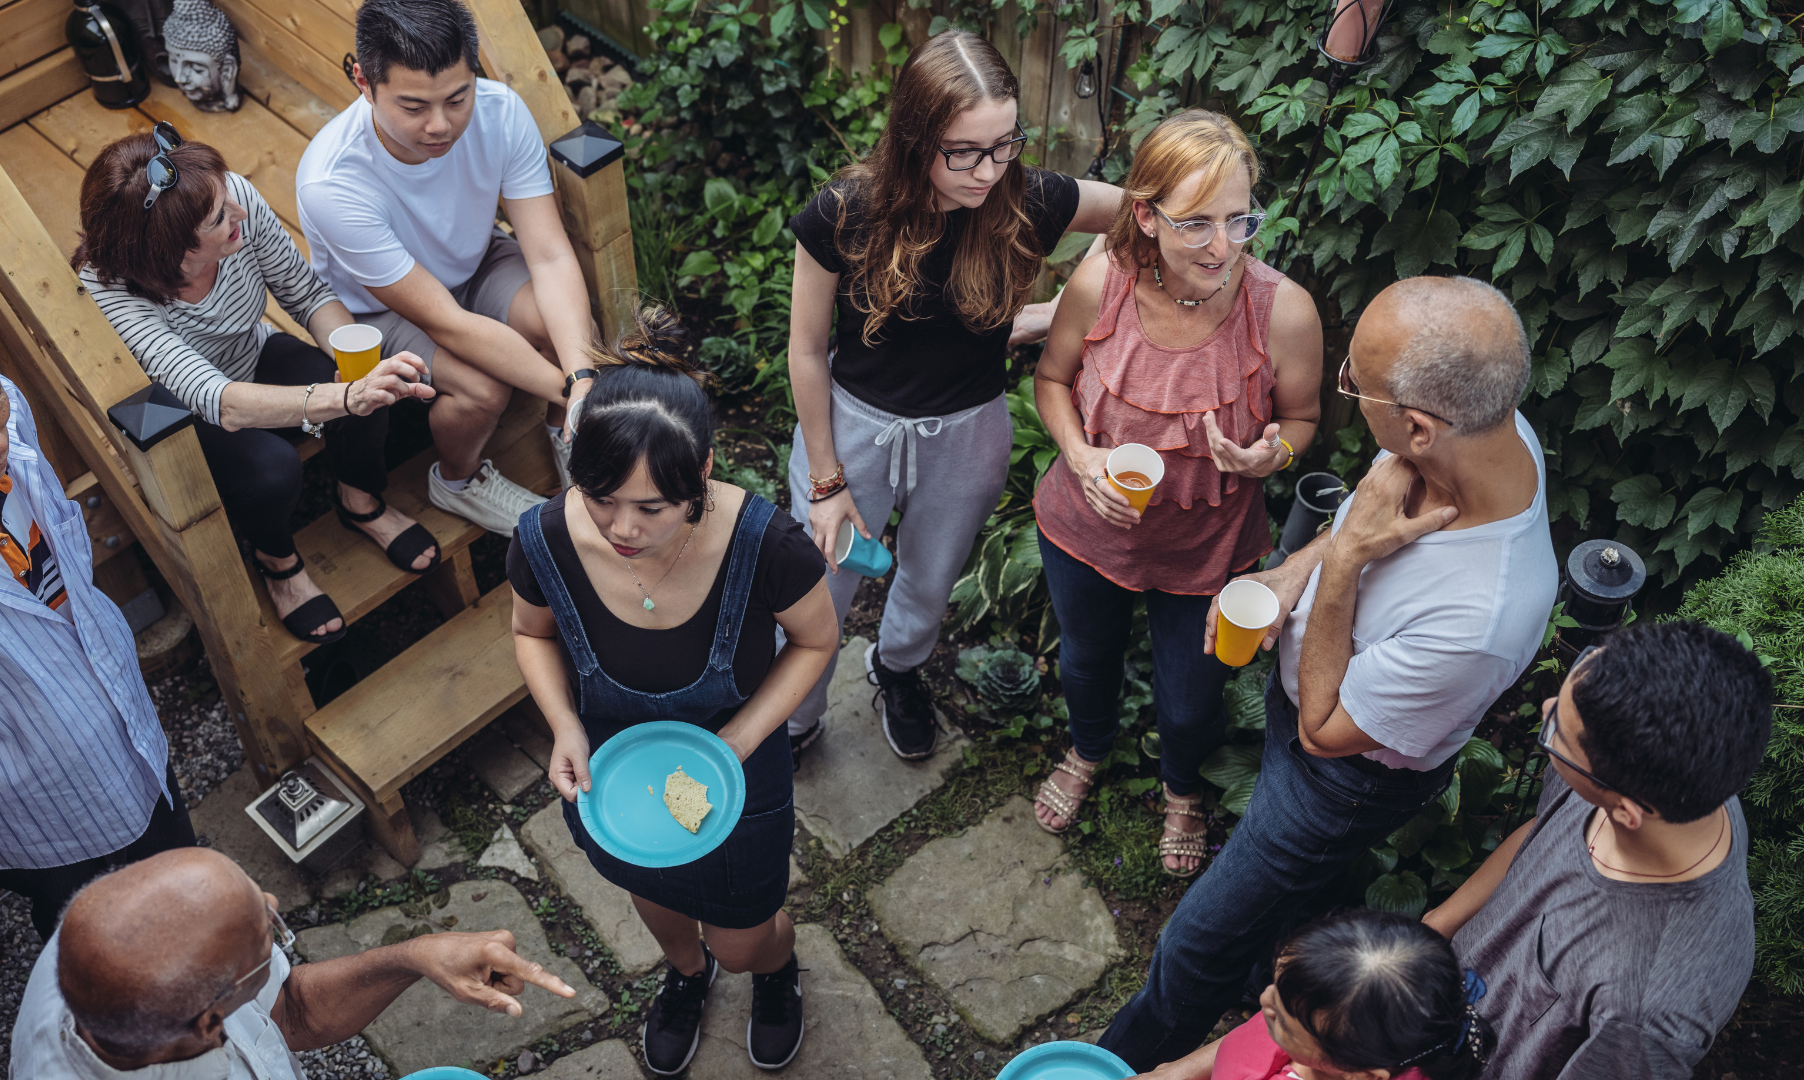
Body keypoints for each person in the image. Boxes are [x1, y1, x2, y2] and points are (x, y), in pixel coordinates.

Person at [1099, 275, 1557, 1070]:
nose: (1346, 394)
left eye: (1356, 384)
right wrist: (1295, 573)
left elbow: (1323, 732)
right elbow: (1363, 522)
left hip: (1335, 784)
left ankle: (1128, 1060)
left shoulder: (1481, 619)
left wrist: (1339, 564)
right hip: (1317, 729)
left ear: (1418, 426)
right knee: (1277, 909)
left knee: (1193, 941)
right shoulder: (1486, 434)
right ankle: (1265, 965)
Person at [508, 309, 836, 1074]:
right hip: (615, 772)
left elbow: (817, 641)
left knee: (743, 935)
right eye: (601, 497)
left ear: (704, 473)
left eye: (652, 508)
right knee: (651, 891)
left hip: (741, 767)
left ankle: (771, 967)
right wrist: (562, 724)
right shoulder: (544, 537)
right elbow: (532, 634)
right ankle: (687, 976)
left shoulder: (767, 545)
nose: (622, 527)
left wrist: (741, 742)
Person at [783, 30, 1124, 760]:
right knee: (820, 589)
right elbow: (807, 351)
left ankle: (898, 670)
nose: (989, 168)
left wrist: (1072, 306)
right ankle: (794, 715)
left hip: (969, 433)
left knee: (932, 580)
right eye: (965, 150)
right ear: (915, 137)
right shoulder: (845, 213)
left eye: (1005, 144)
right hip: (851, 429)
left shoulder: (1028, 198)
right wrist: (824, 480)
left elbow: (1138, 214)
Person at [1030, 110, 1322, 877]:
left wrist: (1272, 453)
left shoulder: (1283, 310)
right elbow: (1052, 380)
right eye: (1195, 224)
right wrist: (1081, 457)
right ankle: (1089, 747)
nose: (1222, 248)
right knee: (1085, 663)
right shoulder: (1100, 283)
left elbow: (1303, 417)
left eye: (1239, 219)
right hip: (1083, 532)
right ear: (1146, 216)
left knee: (1192, 701)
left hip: (1211, 549)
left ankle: (1183, 788)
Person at [0, 282, 193, 938]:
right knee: (101, 948)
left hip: (126, 716)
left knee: (186, 877)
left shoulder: (1, 408)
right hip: (43, 800)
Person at [77, 131, 437, 644]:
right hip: (183, 409)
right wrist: (342, 399)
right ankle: (277, 560)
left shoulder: (232, 198)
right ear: (170, 250)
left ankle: (360, 499)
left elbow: (306, 293)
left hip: (253, 352)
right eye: (219, 219)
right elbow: (217, 399)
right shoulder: (111, 292)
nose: (239, 212)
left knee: (364, 381)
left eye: (228, 200)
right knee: (272, 470)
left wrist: (356, 366)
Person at [297, 0, 599, 535]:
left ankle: (568, 435)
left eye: (458, 97)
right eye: (413, 107)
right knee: (484, 388)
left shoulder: (501, 113)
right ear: (364, 82)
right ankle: (458, 480)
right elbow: (445, 321)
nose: (441, 125)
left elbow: (551, 255)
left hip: (477, 260)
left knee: (565, 324)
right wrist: (581, 392)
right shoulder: (332, 181)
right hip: (380, 310)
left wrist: (583, 375)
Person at [1422, 622, 1769, 1079]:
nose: (1549, 708)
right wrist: (1436, 928)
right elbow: (1539, 831)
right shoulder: (1681, 776)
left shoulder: (1646, 1012)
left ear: (1625, 811)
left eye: (1555, 737)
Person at [9, 847, 575, 1078]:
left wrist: (418, 957)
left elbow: (293, 1011)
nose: (276, 906)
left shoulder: (109, 940)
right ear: (212, 1023)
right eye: (267, 931)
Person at [1132, 909, 1495, 1080]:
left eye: (1282, 1017)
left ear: (1363, 1076)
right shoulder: (1354, 1028)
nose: (1264, 1002)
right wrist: (1176, 1072)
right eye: (1275, 986)